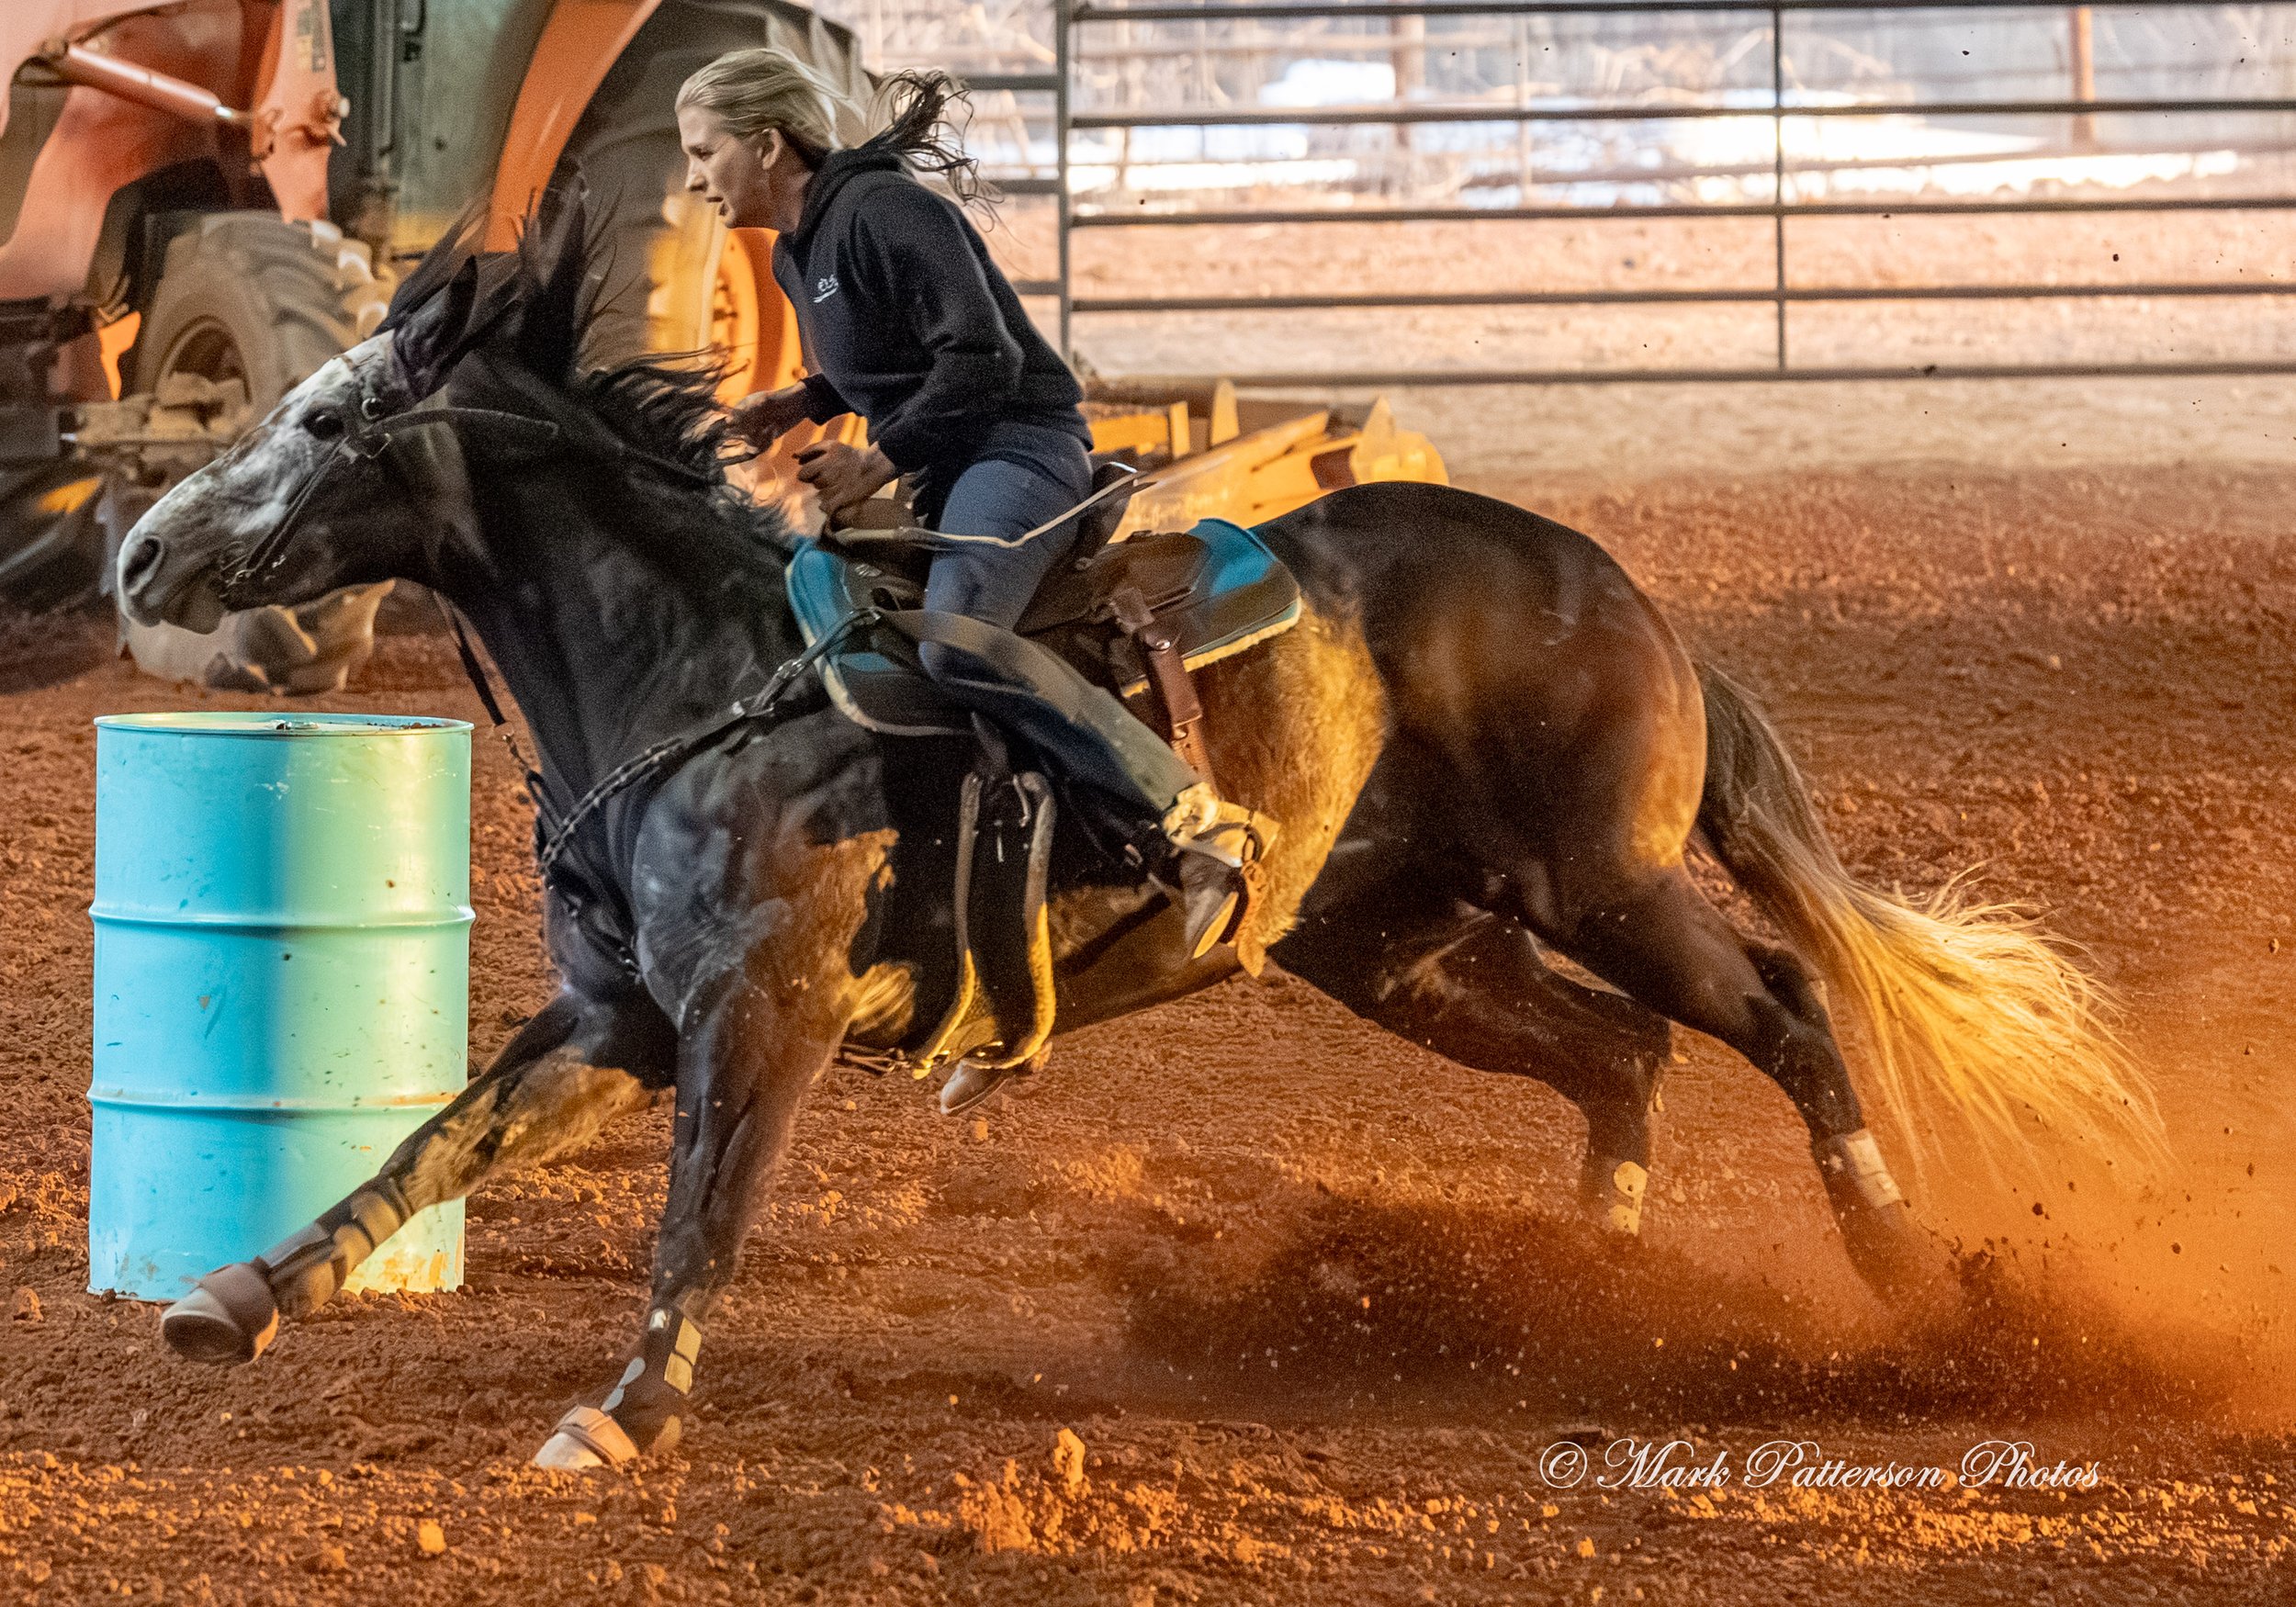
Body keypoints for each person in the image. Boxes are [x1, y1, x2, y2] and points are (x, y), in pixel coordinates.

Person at [676, 49, 1267, 956]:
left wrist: (878, 460)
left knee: (955, 643)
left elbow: (980, 359)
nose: (691, 177)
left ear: (762, 145)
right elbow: (883, 351)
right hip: (946, 463)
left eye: (704, 151)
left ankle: (1192, 819)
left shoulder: (887, 211)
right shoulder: (800, 252)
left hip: (1017, 447)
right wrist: (804, 402)